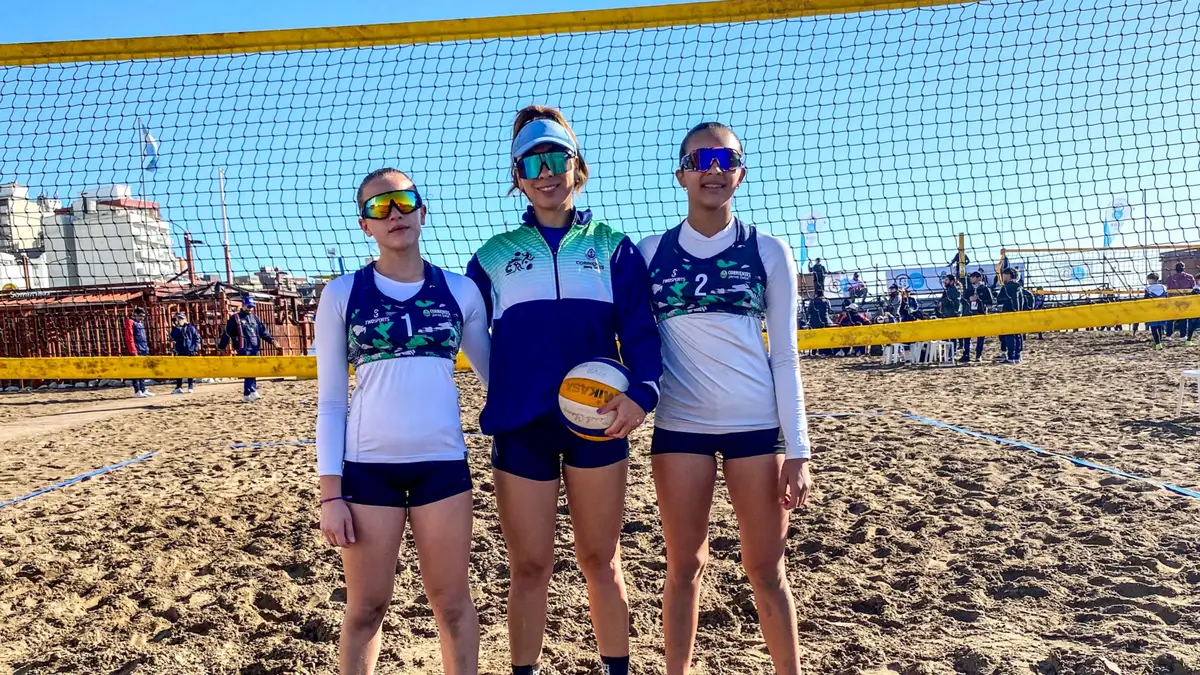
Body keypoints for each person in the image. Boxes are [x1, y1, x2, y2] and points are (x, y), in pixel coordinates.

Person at [465, 106, 662, 675]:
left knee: (601, 560)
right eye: (532, 163)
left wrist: (642, 394)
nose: (547, 172)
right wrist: (506, 388)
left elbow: (641, 333)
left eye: (557, 158)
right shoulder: (493, 256)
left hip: (598, 424)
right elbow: (470, 333)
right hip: (523, 428)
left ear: (578, 166)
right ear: (518, 177)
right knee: (529, 568)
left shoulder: (614, 247)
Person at [638, 122, 812, 675]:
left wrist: (799, 450)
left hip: (756, 429)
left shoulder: (769, 250)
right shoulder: (649, 253)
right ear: (681, 174)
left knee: (766, 570)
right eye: (700, 160)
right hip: (680, 428)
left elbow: (785, 356)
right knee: (684, 567)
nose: (713, 170)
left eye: (725, 159)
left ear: (741, 173)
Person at [316, 169, 491, 675]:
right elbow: (331, 403)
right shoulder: (342, 293)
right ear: (364, 225)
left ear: (422, 211)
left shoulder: (460, 291)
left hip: (442, 468)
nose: (393, 213)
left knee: (452, 604)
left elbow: (497, 379)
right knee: (366, 610)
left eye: (403, 201)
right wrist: (330, 495)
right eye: (379, 207)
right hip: (369, 471)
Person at [218, 295, 276, 403]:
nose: (250, 308)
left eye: (251, 306)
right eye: (248, 306)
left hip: (255, 348)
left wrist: (272, 341)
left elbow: (263, 332)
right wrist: (221, 347)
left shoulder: (255, 318)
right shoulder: (235, 318)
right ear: (243, 305)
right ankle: (253, 391)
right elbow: (227, 333)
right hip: (243, 348)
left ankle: (246, 394)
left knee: (253, 370)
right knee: (249, 370)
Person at [960, 271, 993, 363]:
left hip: (980, 314)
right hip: (969, 315)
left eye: (973, 277)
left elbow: (990, 302)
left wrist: (979, 300)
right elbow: (962, 301)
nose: (971, 279)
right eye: (971, 277)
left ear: (979, 278)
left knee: (980, 336)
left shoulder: (985, 289)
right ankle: (966, 355)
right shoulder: (968, 289)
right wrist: (969, 299)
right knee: (966, 335)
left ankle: (978, 355)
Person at [997, 267, 1026, 364]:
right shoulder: (1019, 288)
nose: (1003, 277)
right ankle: (1017, 356)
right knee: (1018, 335)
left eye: (1004, 275)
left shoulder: (1006, 287)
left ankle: (1010, 357)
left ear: (1009, 275)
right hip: (1018, 314)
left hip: (1008, 314)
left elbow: (999, 300)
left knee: (1009, 335)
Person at [123, 307, 153, 398]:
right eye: (140, 316)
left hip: (143, 349)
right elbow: (129, 337)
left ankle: (143, 389)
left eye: (143, 316)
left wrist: (146, 348)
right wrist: (133, 350)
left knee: (142, 370)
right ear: (134, 314)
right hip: (137, 349)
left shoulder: (140, 323)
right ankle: (137, 390)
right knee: (136, 371)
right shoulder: (130, 322)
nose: (142, 318)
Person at [170, 312, 200, 394]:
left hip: (189, 351)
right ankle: (179, 387)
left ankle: (190, 386)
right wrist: (176, 328)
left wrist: (195, 348)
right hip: (180, 350)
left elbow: (197, 338)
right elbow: (173, 337)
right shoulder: (177, 328)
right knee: (179, 369)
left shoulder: (191, 327)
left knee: (189, 369)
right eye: (178, 319)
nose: (179, 320)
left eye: (181, 319)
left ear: (185, 319)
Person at [938, 274, 966, 359]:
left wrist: (943, 302)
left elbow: (955, 303)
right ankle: (947, 354)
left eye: (946, 280)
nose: (944, 281)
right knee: (946, 337)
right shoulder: (947, 290)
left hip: (953, 316)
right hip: (946, 315)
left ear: (952, 281)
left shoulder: (955, 290)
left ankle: (952, 354)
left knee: (952, 336)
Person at [1165, 262, 1196, 339]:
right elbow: (1193, 288)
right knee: (1184, 318)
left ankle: (1168, 335)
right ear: (1184, 268)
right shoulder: (1189, 277)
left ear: (1175, 269)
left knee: (1170, 318)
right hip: (1185, 300)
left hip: (1173, 300)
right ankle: (1183, 335)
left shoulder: (1170, 278)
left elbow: (1167, 289)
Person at [1145, 273, 1168, 350]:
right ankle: (1159, 342)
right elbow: (1166, 297)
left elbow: (1145, 299)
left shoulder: (1148, 288)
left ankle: (1157, 344)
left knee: (1153, 328)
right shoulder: (1163, 287)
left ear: (1151, 280)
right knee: (1160, 327)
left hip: (1152, 309)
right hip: (1162, 309)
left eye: (1148, 279)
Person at [806, 289, 833, 357]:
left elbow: (809, 311)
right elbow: (829, 310)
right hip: (825, 321)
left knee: (814, 337)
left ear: (816, 294)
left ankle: (814, 351)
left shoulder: (812, 301)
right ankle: (825, 351)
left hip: (814, 322)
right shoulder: (826, 300)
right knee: (825, 337)